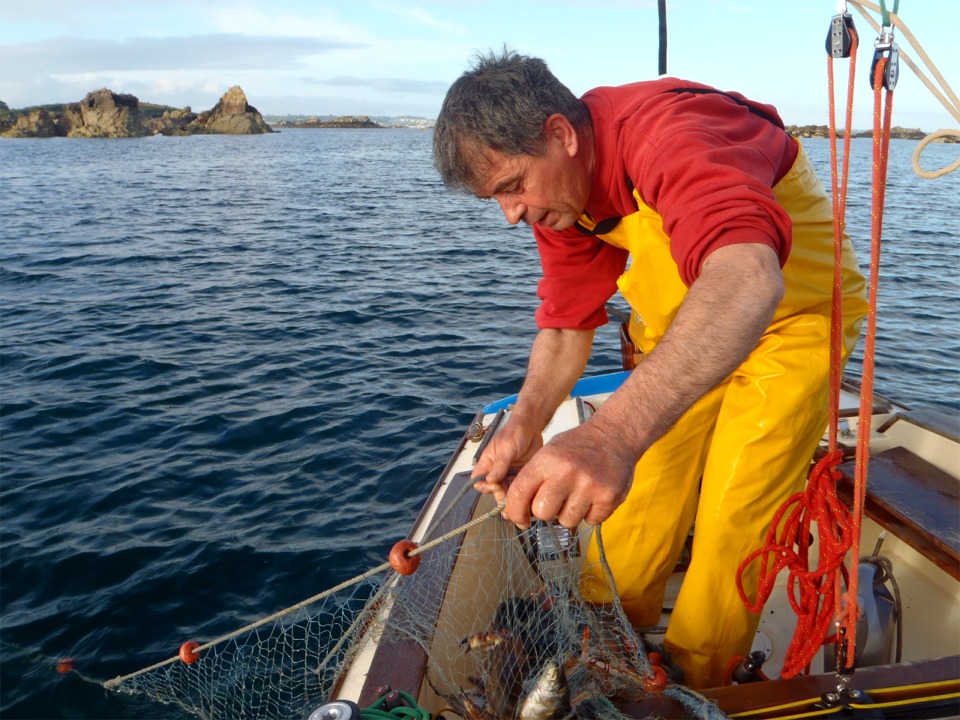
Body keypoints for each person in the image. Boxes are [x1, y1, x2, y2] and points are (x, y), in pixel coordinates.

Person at [432, 49, 868, 689]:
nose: (510, 215)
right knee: (638, 504)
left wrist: (609, 436)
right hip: (681, 334)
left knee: (735, 516)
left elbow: (747, 278)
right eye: (494, 198)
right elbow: (565, 323)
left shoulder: (675, 134)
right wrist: (525, 420)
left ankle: (690, 680)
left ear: (561, 134)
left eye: (512, 187)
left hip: (791, 325)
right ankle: (596, 645)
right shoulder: (562, 192)